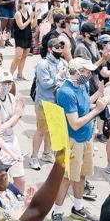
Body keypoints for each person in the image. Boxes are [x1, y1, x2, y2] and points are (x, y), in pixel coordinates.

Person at [51, 57, 110, 221]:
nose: (89, 74)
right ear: (76, 72)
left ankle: (78, 208)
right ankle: (57, 212)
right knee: (66, 178)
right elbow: (75, 123)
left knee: (82, 175)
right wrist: (98, 110)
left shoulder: (82, 86)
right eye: (86, 71)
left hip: (86, 138)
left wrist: (101, 96)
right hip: (71, 141)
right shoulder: (66, 92)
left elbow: (86, 105)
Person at [30, 37, 66, 170]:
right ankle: (34, 156)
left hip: (57, 102)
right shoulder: (42, 64)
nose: (60, 50)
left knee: (51, 130)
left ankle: (47, 153)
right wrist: (58, 76)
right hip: (44, 102)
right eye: (57, 47)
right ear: (50, 49)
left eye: (61, 47)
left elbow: (66, 78)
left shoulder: (63, 63)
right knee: (41, 130)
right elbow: (45, 84)